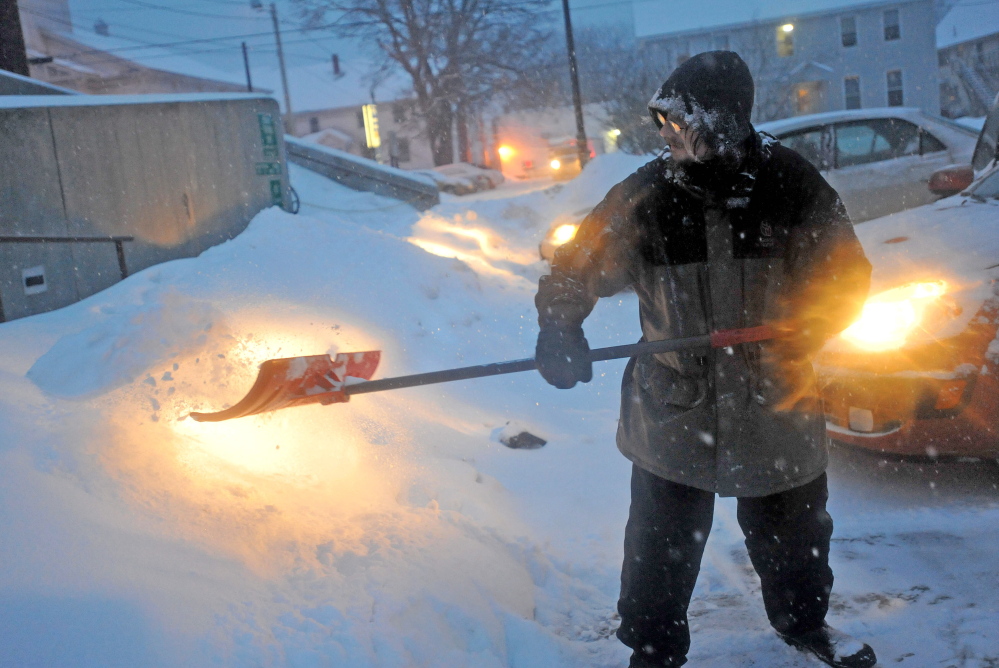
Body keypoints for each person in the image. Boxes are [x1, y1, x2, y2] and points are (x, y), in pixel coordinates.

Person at [533, 52, 876, 668]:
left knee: (795, 534)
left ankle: (806, 625)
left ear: (720, 122)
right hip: (675, 405)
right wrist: (559, 327)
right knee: (659, 543)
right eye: (661, 123)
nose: (666, 135)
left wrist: (811, 326)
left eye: (678, 123)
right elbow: (575, 266)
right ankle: (653, 649)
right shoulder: (646, 194)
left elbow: (846, 272)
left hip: (776, 398)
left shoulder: (790, 185)